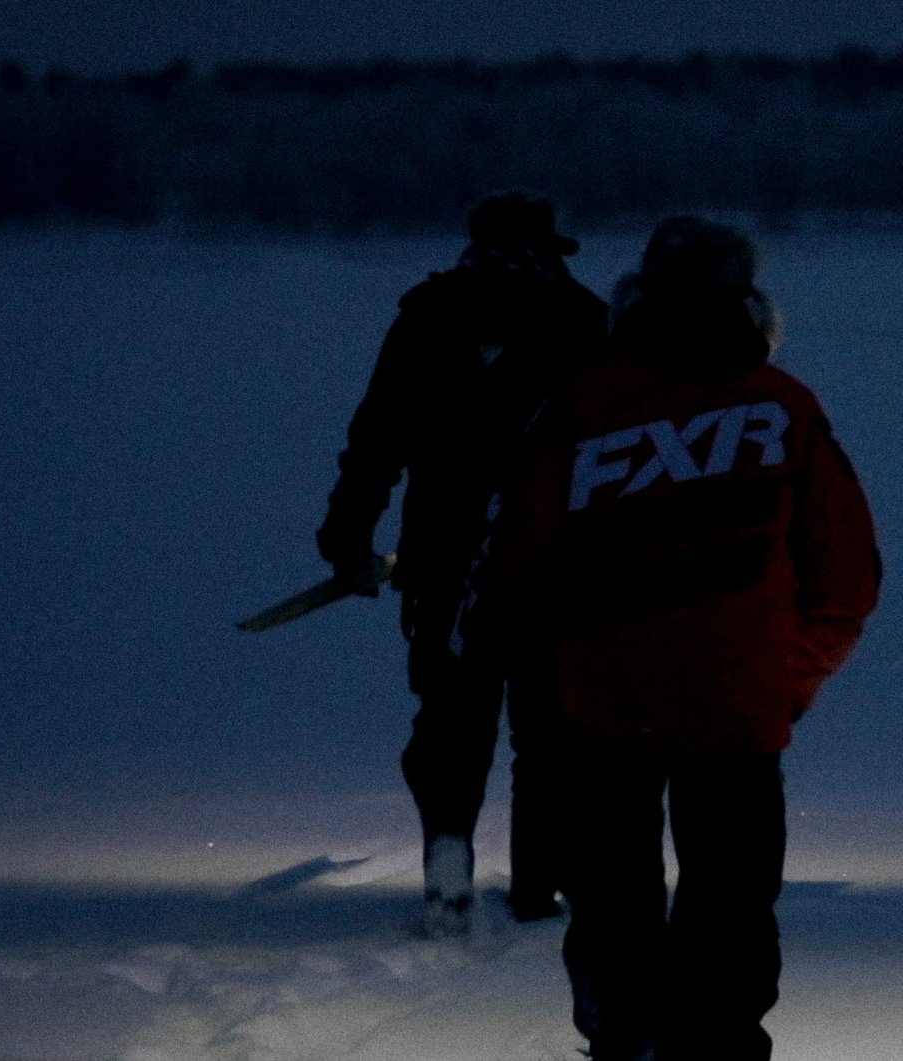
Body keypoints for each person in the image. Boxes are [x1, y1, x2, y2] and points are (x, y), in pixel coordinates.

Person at [472, 216, 882, 1061]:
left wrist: (535, 666)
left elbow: (517, 559)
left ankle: (624, 1030)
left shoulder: (581, 405)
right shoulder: (784, 407)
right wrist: (787, 680)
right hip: (737, 707)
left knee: (613, 893)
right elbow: (847, 578)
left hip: (602, 705)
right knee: (731, 904)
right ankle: (718, 1045)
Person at [316, 190, 607, 930]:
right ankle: (539, 885)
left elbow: (377, 435)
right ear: (550, 247)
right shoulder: (582, 320)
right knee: (548, 730)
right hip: (557, 562)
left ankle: (449, 849)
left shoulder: (427, 316)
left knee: (452, 716)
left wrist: (348, 536)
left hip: (445, 558)